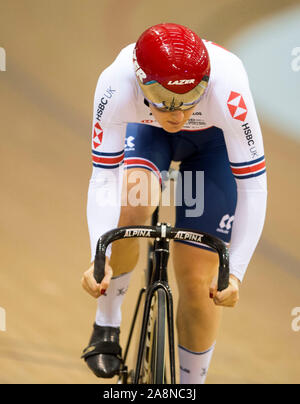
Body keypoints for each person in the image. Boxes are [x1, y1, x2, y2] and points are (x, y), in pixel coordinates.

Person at [81, 23, 267, 384]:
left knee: (200, 281)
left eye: (190, 98)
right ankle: (107, 322)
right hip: (150, 135)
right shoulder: (116, 83)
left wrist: (237, 272)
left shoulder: (229, 88)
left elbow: (254, 187)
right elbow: (104, 177)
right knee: (135, 202)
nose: (178, 113)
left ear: (207, 81)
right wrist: (97, 256)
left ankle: (190, 386)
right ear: (140, 81)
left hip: (211, 149)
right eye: (165, 100)